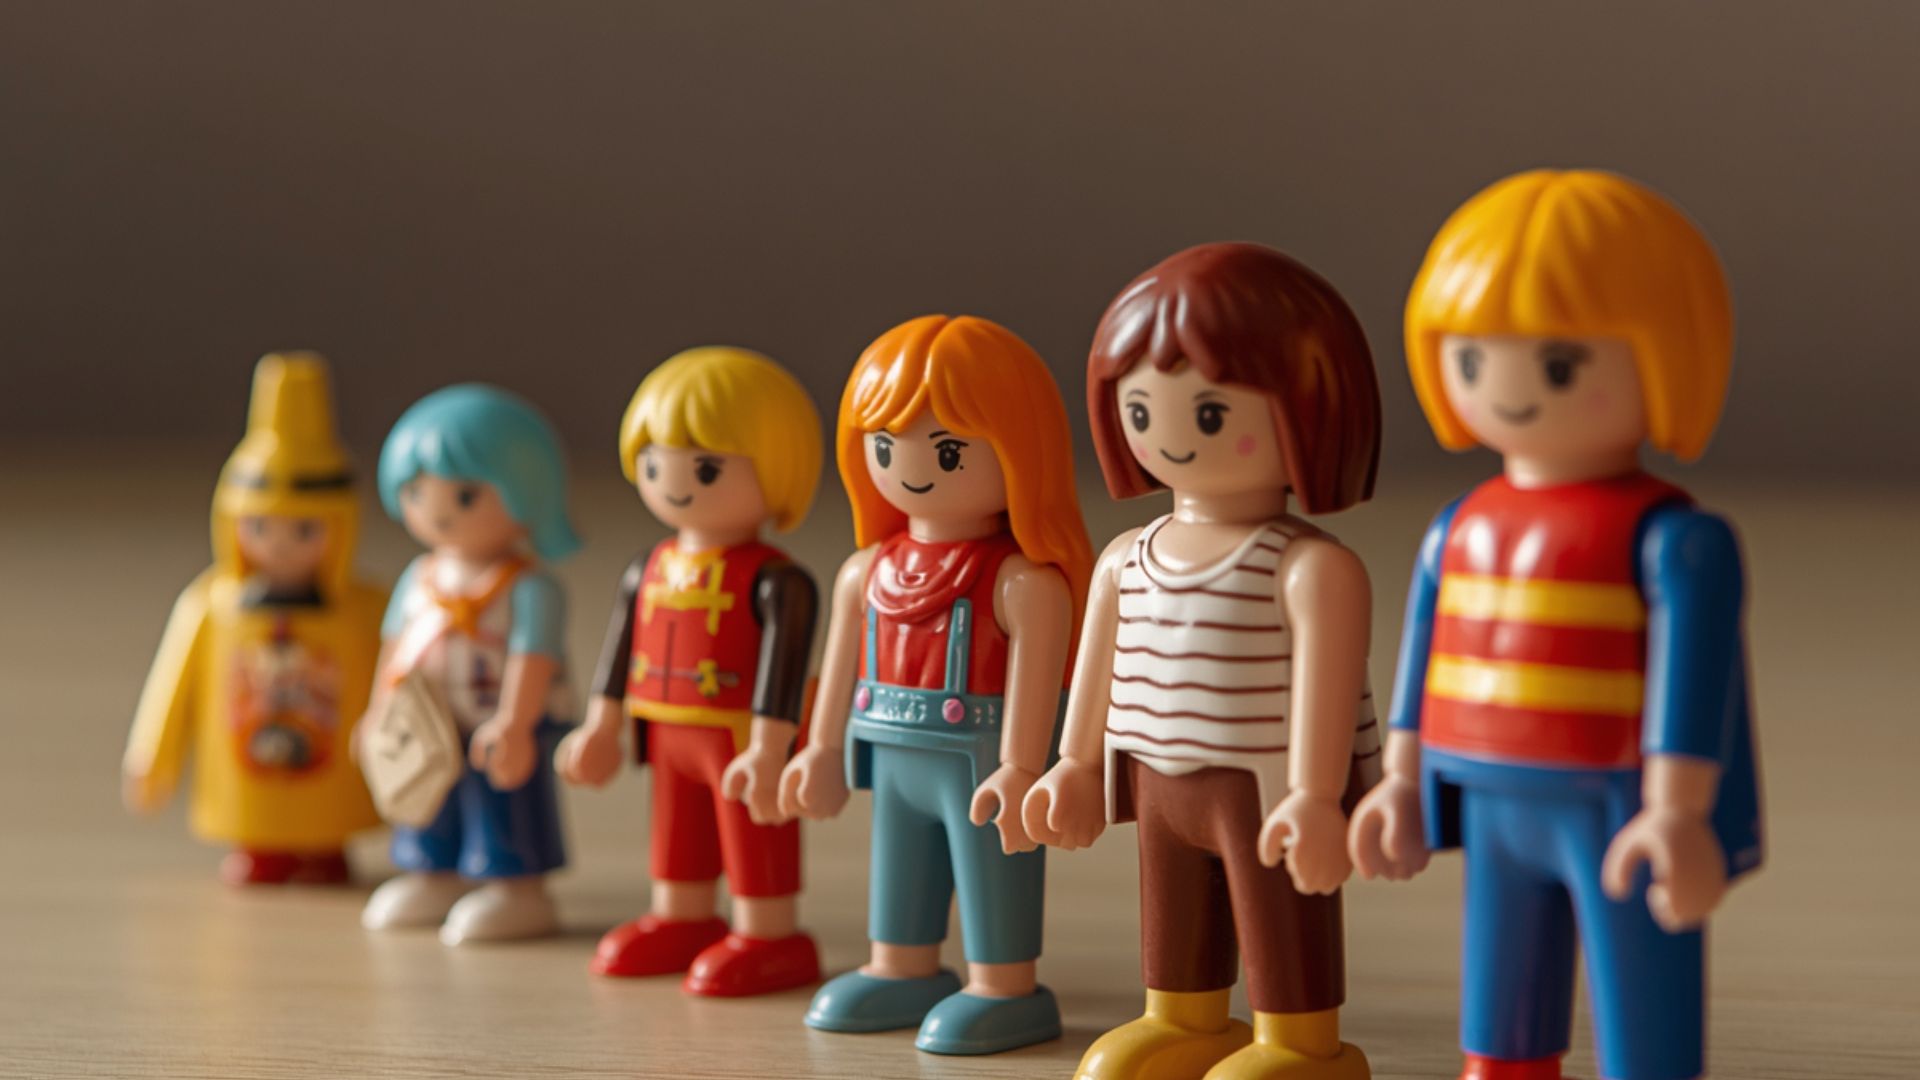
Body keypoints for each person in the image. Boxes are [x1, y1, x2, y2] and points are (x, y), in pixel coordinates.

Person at [1349, 169, 1764, 1080]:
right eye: (1471, 358)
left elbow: (1694, 690)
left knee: (1636, 982)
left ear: (1671, 357)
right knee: (1501, 978)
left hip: (1613, 798)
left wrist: (1679, 815)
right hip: (1489, 794)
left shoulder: (1675, 540)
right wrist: (1400, 783)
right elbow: (1422, 666)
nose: (1508, 389)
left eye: (1561, 364)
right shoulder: (1455, 528)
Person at [1025, 242, 1384, 1080]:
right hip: (1155, 776)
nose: (1172, 437)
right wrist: (1074, 767)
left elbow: (1330, 693)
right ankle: (1182, 1017)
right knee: (1175, 911)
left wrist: (1318, 798)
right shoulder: (1126, 557)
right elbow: (1094, 670)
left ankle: (1302, 1039)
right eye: (1141, 413)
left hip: (1260, 786)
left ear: (1309, 410)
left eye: (1212, 415)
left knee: (1277, 912)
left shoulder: (1308, 565)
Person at [778, 315, 1092, 1055]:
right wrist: (820, 750)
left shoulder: (1021, 582)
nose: (913, 466)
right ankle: (901, 966)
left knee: (991, 866)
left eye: (950, 450)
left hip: (979, 755)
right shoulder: (867, 570)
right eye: (885, 446)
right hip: (889, 745)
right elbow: (841, 666)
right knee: (899, 859)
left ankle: (1003, 983)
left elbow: (1039, 684)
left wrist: (1023, 768)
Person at [558, 347, 824, 997]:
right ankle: (680, 916)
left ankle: (769, 932)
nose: (675, 483)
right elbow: (619, 651)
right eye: (654, 464)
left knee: (751, 827)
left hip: (739, 736)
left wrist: (769, 748)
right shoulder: (646, 566)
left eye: (706, 468)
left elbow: (783, 670)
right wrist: (600, 724)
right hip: (665, 730)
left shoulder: (776, 579)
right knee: (676, 828)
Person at [124, 353, 383, 885]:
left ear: (341, 528)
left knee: (327, 825)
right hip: (248, 778)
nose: (282, 546)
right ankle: (265, 851)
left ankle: (324, 850)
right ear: (232, 523)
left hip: (333, 773)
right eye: (262, 528)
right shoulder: (211, 606)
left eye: (305, 532)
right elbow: (173, 686)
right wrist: (153, 755)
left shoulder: (364, 610)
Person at [360, 384, 580, 945]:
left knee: (502, 800)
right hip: (428, 718)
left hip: (499, 721)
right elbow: (395, 649)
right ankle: (434, 871)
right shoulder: (420, 578)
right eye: (416, 491)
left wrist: (515, 721)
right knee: (429, 794)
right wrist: (378, 712)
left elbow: (533, 656)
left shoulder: (528, 587)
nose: (436, 510)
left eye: (463, 496)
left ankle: (518, 889)